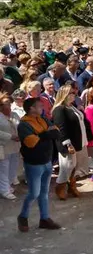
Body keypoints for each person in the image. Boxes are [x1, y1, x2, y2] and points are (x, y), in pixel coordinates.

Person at [16, 97, 61, 232]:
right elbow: (31, 142)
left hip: (47, 160)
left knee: (44, 193)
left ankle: (44, 218)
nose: (42, 108)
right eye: (39, 106)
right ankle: (23, 216)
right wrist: (46, 134)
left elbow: (56, 132)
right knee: (34, 193)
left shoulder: (42, 119)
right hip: (34, 163)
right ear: (31, 108)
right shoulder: (24, 124)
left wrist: (42, 135)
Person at [52, 84, 90, 200]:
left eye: (74, 93)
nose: (73, 95)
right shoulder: (59, 109)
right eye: (71, 93)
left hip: (78, 141)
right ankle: (60, 186)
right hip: (68, 144)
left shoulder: (71, 107)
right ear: (64, 95)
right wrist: (68, 144)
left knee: (75, 165)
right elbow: (61, 128)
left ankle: (71, 186)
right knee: (67, 165)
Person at [0, 92, 21, 200]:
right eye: (6, 103)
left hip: (15, 146)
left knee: (13, 167)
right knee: (4, 168)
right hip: (3, 147)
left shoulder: (15, 114)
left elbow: (20, 126)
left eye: (9, 103)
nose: (9, 105)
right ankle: (4, 190)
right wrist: (10, 136)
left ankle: (7, 185)